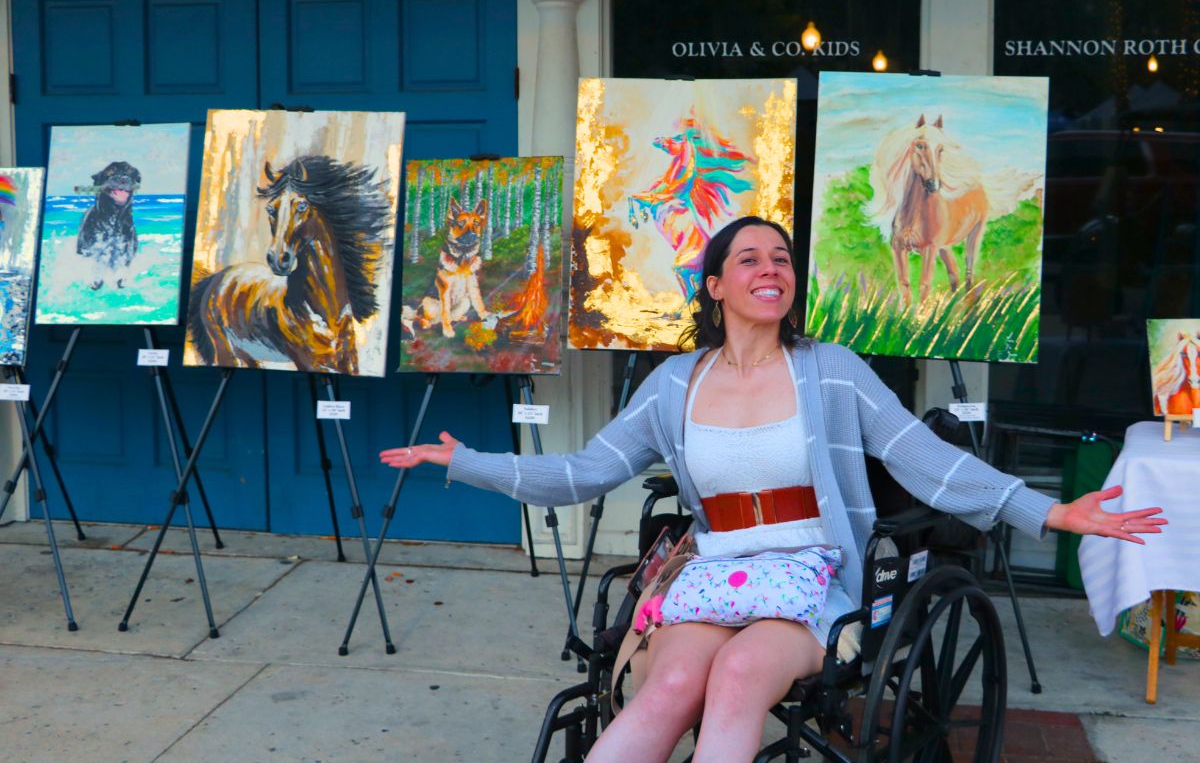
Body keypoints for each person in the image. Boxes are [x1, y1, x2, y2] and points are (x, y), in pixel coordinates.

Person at [381, 216, 1166, 763]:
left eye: (782, 259)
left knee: (738, 682)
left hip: (810, 573)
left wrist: (1053, 510)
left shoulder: (832, 371)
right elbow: (585, 471)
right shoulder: (672, 386)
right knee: (670, 686)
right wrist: (466, 461)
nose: (771, 270)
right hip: (715, 572)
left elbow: (926, 459)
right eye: (750, 259)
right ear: (716, 284)